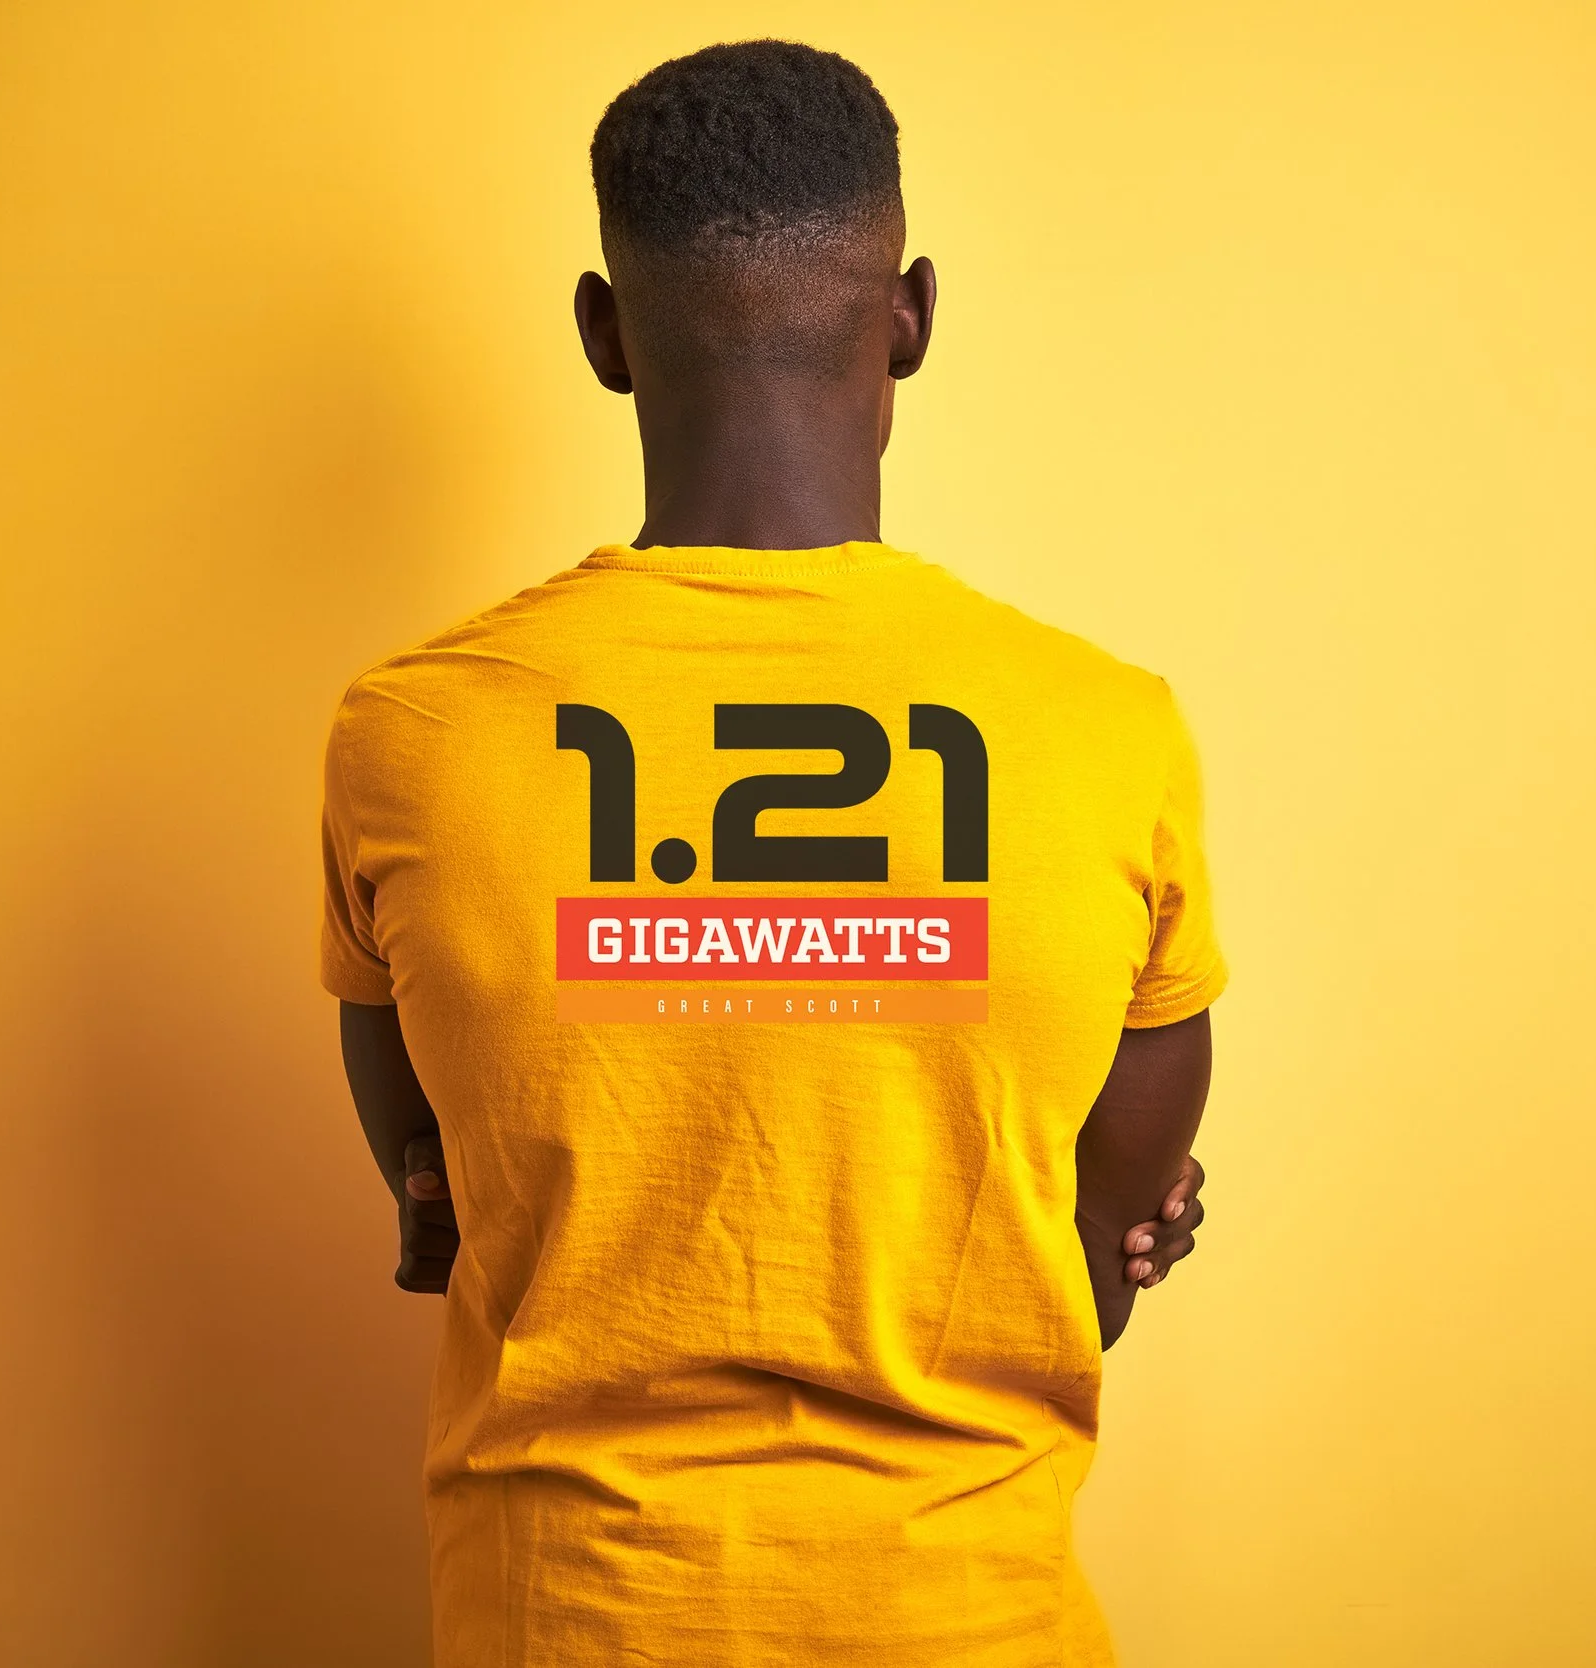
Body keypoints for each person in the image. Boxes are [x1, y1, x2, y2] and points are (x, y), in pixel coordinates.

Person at [325, 39, 1223, 1665]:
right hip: (972, 1621)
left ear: (605, 335)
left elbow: (440, 1201)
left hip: (563, 1625)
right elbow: (1090, 1273)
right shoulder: (1110, 731)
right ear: (912, 318)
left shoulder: (413, 737)